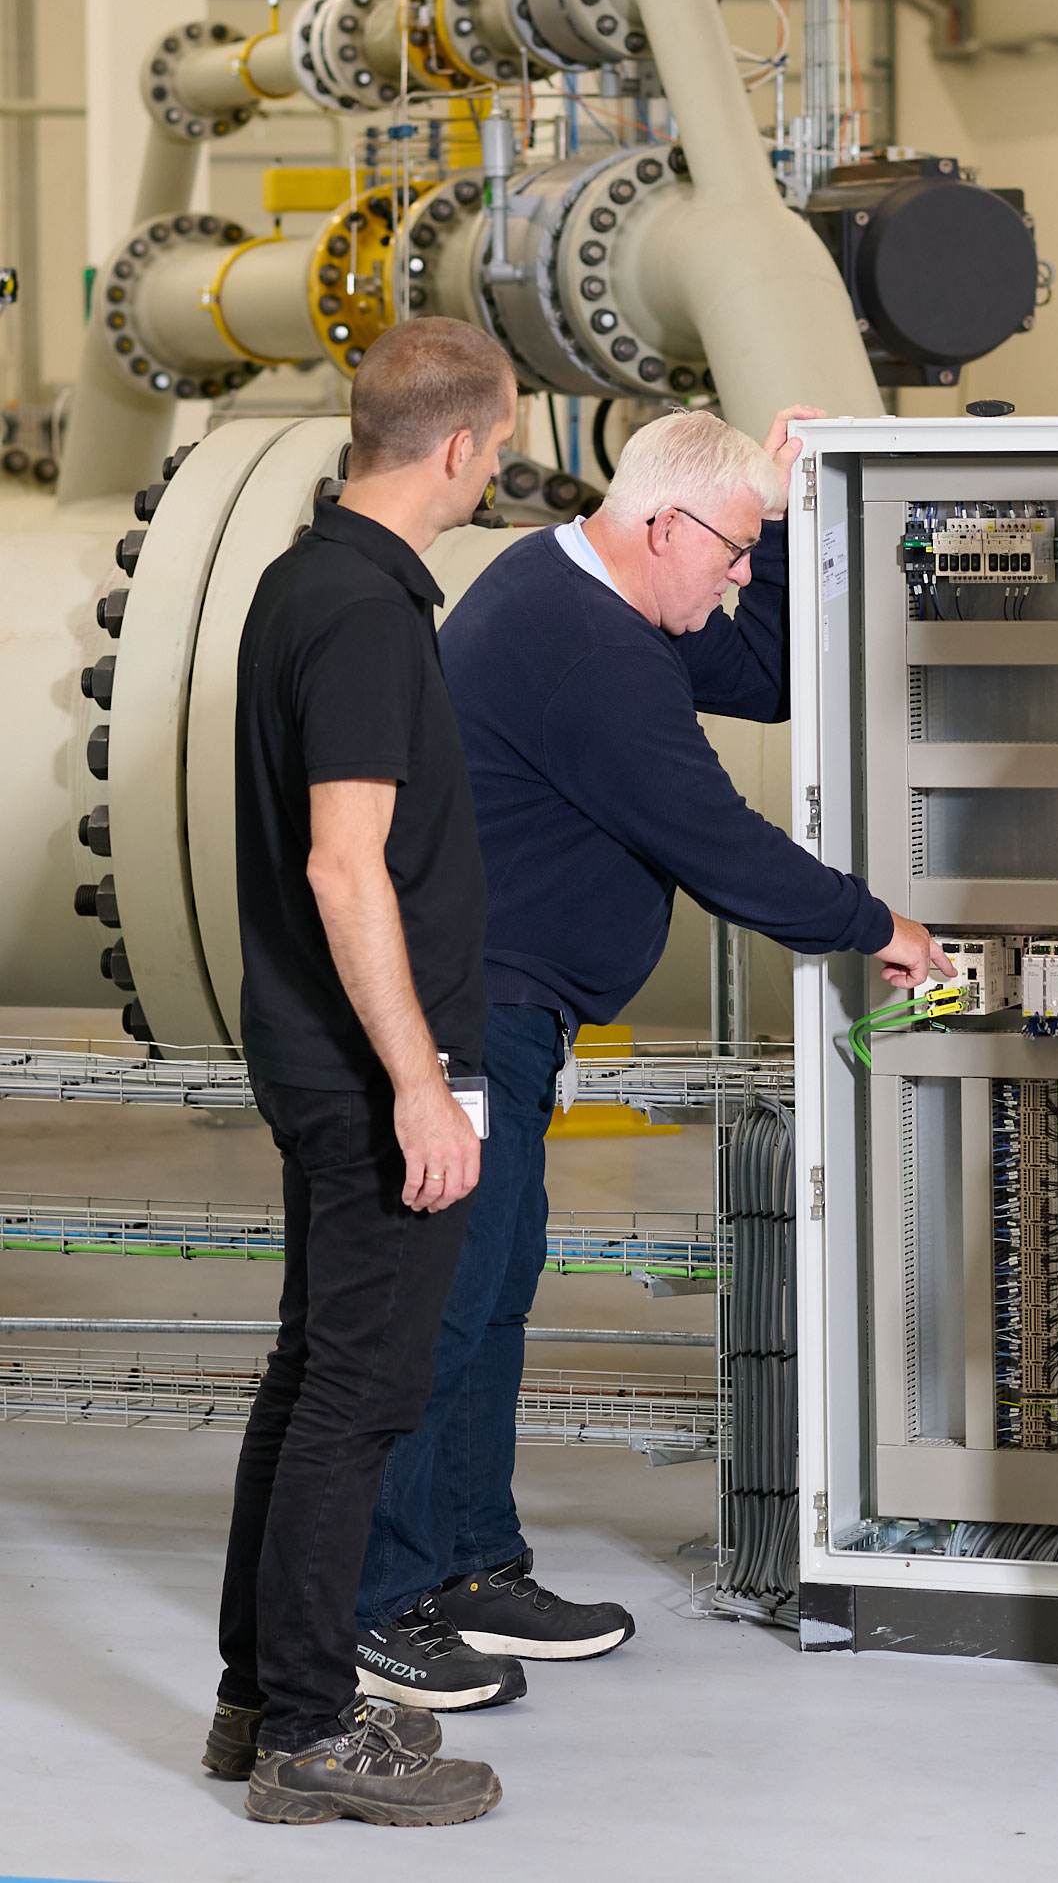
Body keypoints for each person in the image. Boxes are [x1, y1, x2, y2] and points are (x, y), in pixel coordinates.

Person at [353, 403, 952, 1706]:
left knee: (494, 1292)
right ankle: (382, 1601)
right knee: (444, 1313)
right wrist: (876, 928)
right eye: (732, 551)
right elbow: (710, 838)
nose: (737, 580)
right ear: (660, 525)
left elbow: (774, 673)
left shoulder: (614, 600)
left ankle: (470, 1562)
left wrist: (786, 520)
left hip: (518, 1012)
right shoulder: (588, 649)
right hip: (473, 1011)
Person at [207, 318, 522, 1828]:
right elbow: (347, 869)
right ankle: (311, 1735)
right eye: (503, 441)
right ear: (458, 447)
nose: (501, 464)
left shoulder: (309, 580)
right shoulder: (365, 614)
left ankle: (258, 1698)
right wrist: (417, 1079)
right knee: (360, 1396)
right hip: (366, 1069)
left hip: (322, 1056)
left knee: (310, 1380)